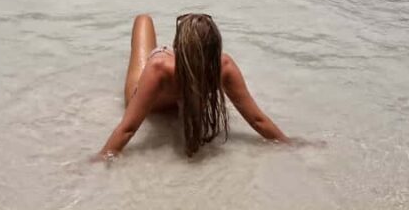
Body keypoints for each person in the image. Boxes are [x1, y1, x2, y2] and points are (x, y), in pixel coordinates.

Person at [99, 13, 290, 159]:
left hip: (156, 99)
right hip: (151, 90)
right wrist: (290, 145)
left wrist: (98, 161)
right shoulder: (222, 67)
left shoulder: (160, 69)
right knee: (144, 22)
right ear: (216, 49)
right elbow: (258, 120)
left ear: (177, 48)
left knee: (143, 19)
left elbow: (128, 128)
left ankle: (149, 23)